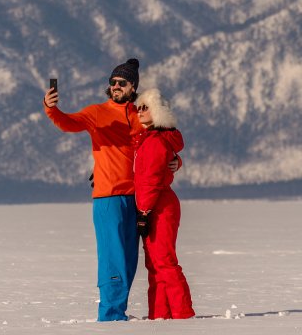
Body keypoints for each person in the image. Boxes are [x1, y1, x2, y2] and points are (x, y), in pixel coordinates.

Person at [43, 58, 143, 322]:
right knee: (113, 258)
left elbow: (162, 144)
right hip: (107, 198)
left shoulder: (141, 115)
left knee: (130, 260)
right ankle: (110, 317)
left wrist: (174, 161)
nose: (116, 86)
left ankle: (118, 310)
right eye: (112, 83)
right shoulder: (97, 112)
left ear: (133, 86)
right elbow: (67, 122)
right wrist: (51, 108)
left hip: (136, 198)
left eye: (121, 82)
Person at [133, 88, 194, 320]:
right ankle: (159, 315)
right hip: (154, 205)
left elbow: (151, 180)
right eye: (138, 107)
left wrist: (144, 213)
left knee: (165, 263)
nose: (140, 112)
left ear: (158, 112)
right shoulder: (149, 139)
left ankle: (182, 313)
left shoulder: (156, 142)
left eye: (145, 107)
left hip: (159, 206)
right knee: (155, 265)